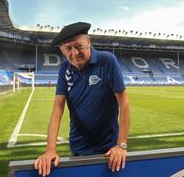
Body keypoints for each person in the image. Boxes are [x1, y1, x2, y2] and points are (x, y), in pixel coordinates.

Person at [34, 22, 130, 176]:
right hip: (77, 149)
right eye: (68, 48)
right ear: (62, 51)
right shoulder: (64, 68)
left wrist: (122, 145)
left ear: (89, 42)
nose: (74, 52)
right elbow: (58, 109)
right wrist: (50, 150)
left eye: (79, 46)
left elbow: (124, 104)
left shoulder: (107, 60)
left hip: (108, 151)